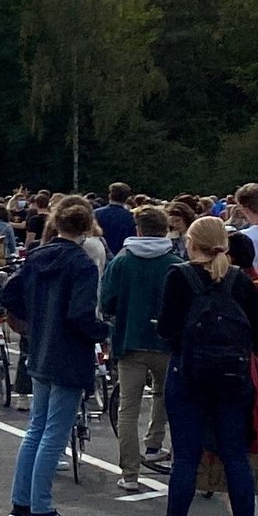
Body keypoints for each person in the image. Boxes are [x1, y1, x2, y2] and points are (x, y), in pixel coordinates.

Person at [135, 216, 258, 516]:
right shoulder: (240, 280)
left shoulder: (180, 276)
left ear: (191, 244)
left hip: (190, 374)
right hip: (233, 377)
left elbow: (165, 328)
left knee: (185, 457)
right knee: (236, 457)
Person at [0, 198, 110, 516]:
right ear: (88, 227)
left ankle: (22, 503)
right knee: (54, 433)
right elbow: (80, 314)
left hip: (41, 345)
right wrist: (104, 332)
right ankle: (42, 509)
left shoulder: (37, 256)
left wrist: (33, 320)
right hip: (68, 351)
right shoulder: (81, 263)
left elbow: (9, 293)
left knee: (37, 427)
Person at [101, 205, 184, 489]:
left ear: (137, 230)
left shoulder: (122, 262)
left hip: (130, 340)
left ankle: (130, 474)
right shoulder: (175, 263)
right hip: (166, 342)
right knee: (166, 398)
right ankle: (155, 443)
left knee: (128, 408)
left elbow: (107, 302)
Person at [96, 182, 135, 255]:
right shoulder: (131, 217)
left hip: (100, 255)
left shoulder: (96, 214)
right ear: (126, 198)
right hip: (122, 256)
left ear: (110, 196)